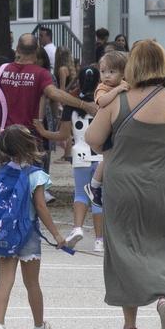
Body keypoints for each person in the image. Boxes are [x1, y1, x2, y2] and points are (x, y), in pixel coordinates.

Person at [85, 39, 165, 329]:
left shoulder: (117, 100)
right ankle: (164, 298)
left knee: (123, 249)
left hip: (122, 185)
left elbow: (93, 138)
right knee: (162, 243)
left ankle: (129, 328)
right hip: (162, 185)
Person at [0, 126, 66, 329]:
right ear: (28, 145)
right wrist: (57, 235)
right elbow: (41, 207)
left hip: (4, 233)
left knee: (4, 280)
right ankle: (39, 328)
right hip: (28, 234)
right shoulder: (35, 175)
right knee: (32, 283)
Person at [34, 66, 105, 252]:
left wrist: (43, 132)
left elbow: (63, 135)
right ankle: (100, 239)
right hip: (101, 155)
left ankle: (77, 227)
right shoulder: (104, 103)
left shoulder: (72, 105)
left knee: (81, 194)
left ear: (79, 81)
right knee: (98, 196)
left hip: (80, 153)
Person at [0, 35, 95, 138]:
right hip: (28, 134)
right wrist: (84, 105)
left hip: (5, 133)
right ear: (37, 49)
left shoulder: (3, 70)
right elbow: (55, 93)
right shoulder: (40, 73)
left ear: (18, 48)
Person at [83, 50, 129, 207]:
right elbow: (101, 101)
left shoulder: (124, 85)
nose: (107, 76)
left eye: (112, 72)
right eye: (103, 72)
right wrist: (117, 90)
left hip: (115, 129)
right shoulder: (102, 87)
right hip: (105, 130)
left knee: (109, 158)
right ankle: (94, 186)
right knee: (108, 157)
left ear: (123, 73)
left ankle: (96, 186)